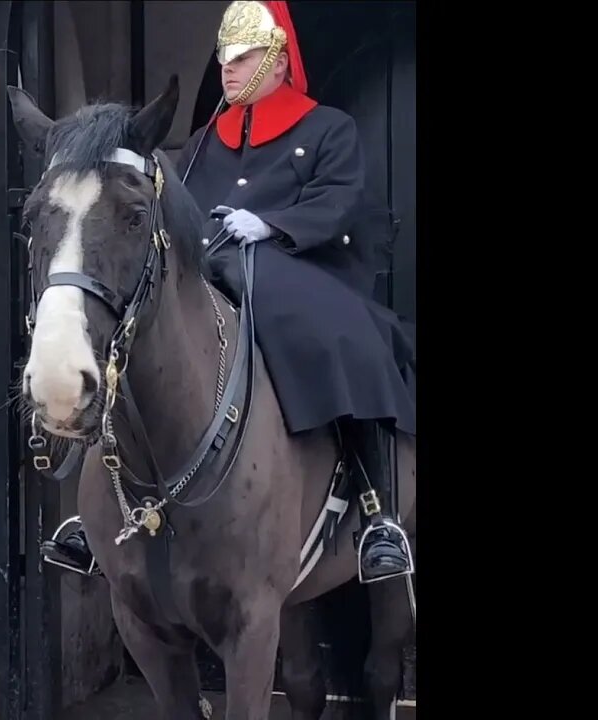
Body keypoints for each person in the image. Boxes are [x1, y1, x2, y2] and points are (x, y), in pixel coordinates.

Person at [41, 0, 415, 582]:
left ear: (279, 60)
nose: (228, 69)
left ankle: (377, 513)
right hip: (215, 264)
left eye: (243, 58)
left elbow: (340, 199)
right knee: (133, 334)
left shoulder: (326, 128)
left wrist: (273, 226)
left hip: (297, 266)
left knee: (348, 338)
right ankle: (95, 513)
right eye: (224, 58)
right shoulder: (205, 140)